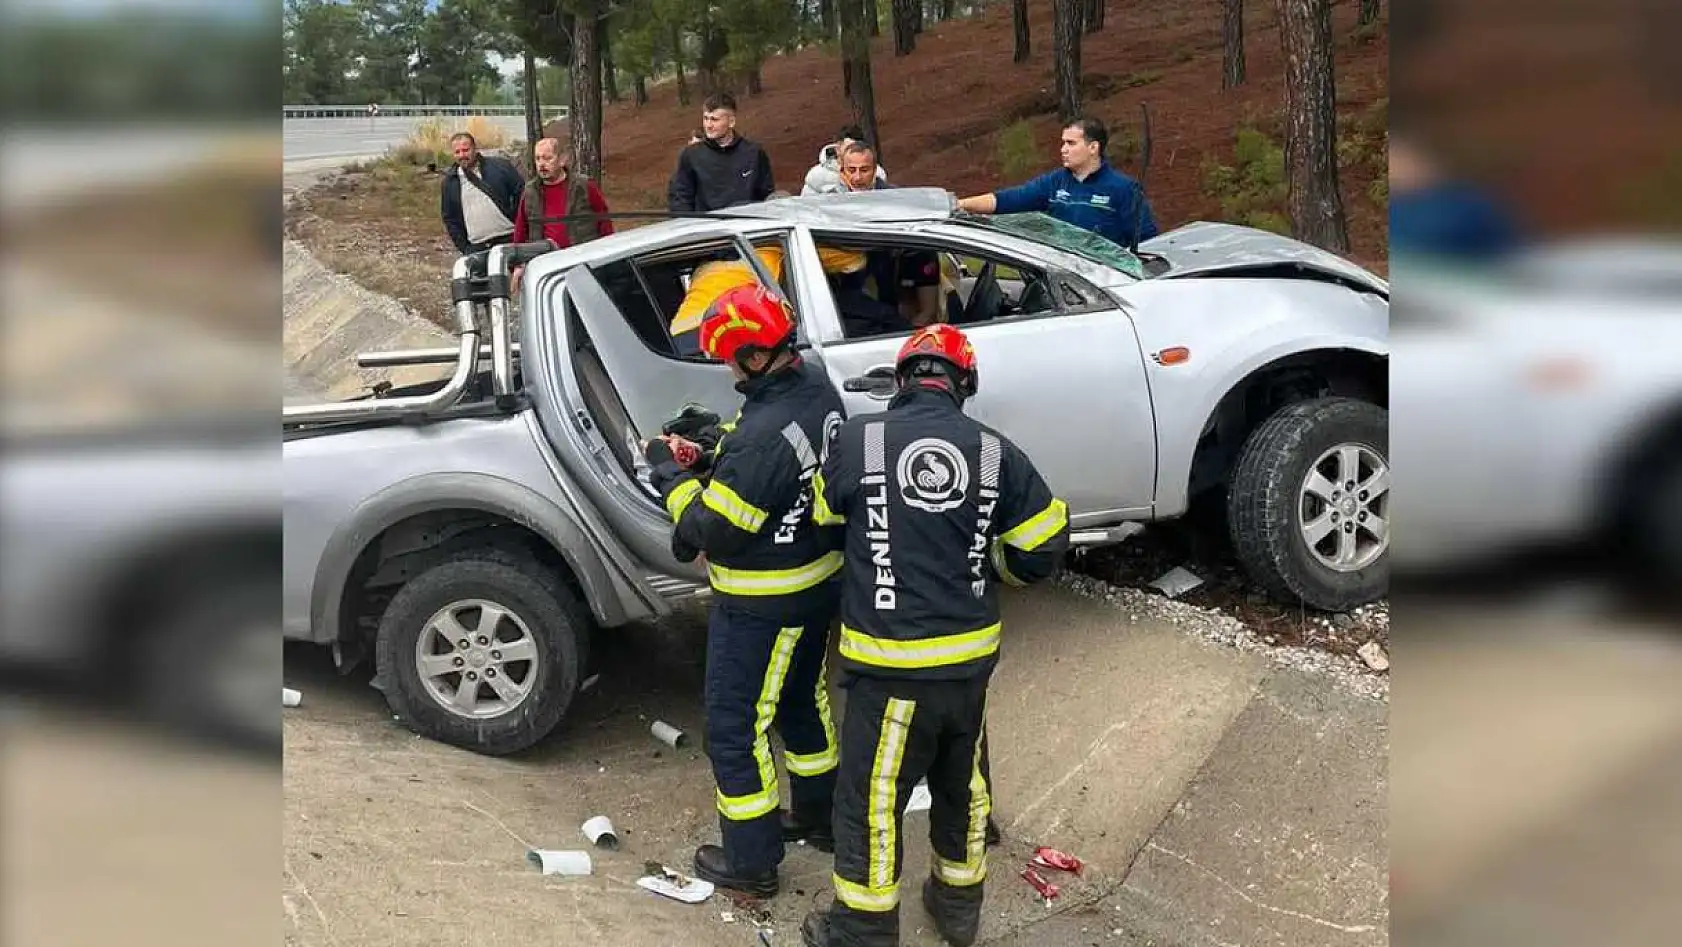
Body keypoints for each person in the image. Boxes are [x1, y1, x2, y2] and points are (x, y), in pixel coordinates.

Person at [802, 324, 1070, 947]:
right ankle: (958, 908)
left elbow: (822, 521)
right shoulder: (995, 452)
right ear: (963, 385)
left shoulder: (860, 439)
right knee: (963, 787)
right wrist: (986, 563)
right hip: (967, 669)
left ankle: (863, 929)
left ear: (901, 382)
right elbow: (1041, 546)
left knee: (872, 802)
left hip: (890, 667)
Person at [642, 284, 848, 898]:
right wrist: (713, 450)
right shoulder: (815, 389)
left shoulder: (761, 437)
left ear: (755, 357)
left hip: (762, 604)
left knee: (735, 730)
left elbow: (713, 530)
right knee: (801, 703)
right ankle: (819, 818)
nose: (727, 370)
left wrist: (671, 476)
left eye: (731, 359)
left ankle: (751, 862)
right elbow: (770, 457)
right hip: (816, 583)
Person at [958, 117, 1158, 248]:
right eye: (1063, 143)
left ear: (1093, 148)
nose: (1063, 149)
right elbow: (1008, 200)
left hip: (1106, 284)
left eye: (1071, 143)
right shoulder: (1054, 182)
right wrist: (958, 204)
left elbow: (1148, 242)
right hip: (1062, 279)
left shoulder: (1124, 189)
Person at [668, 93, 776, 212]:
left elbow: (766, 196)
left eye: (714, 119)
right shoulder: (690, 155)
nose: (708, 125)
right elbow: (680, 199)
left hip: (746, 220)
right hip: (707, 222)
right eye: (706, 118)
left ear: (731, 122)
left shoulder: (754, 153)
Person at [440, 132, 525, 255]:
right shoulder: (450, 182)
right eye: (457, 152)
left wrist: (521, 230)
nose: (462, 155)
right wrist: (464, 248)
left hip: (510, 238)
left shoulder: (500, 167)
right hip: (477, 247)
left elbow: (521, 195)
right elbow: (450, 218)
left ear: (475, 149)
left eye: (465, 150)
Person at [803, 124, 889, 195]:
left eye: (864, 170)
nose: (858, 177)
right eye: (851, 170)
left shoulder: (879, 174)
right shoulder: (817, 176)